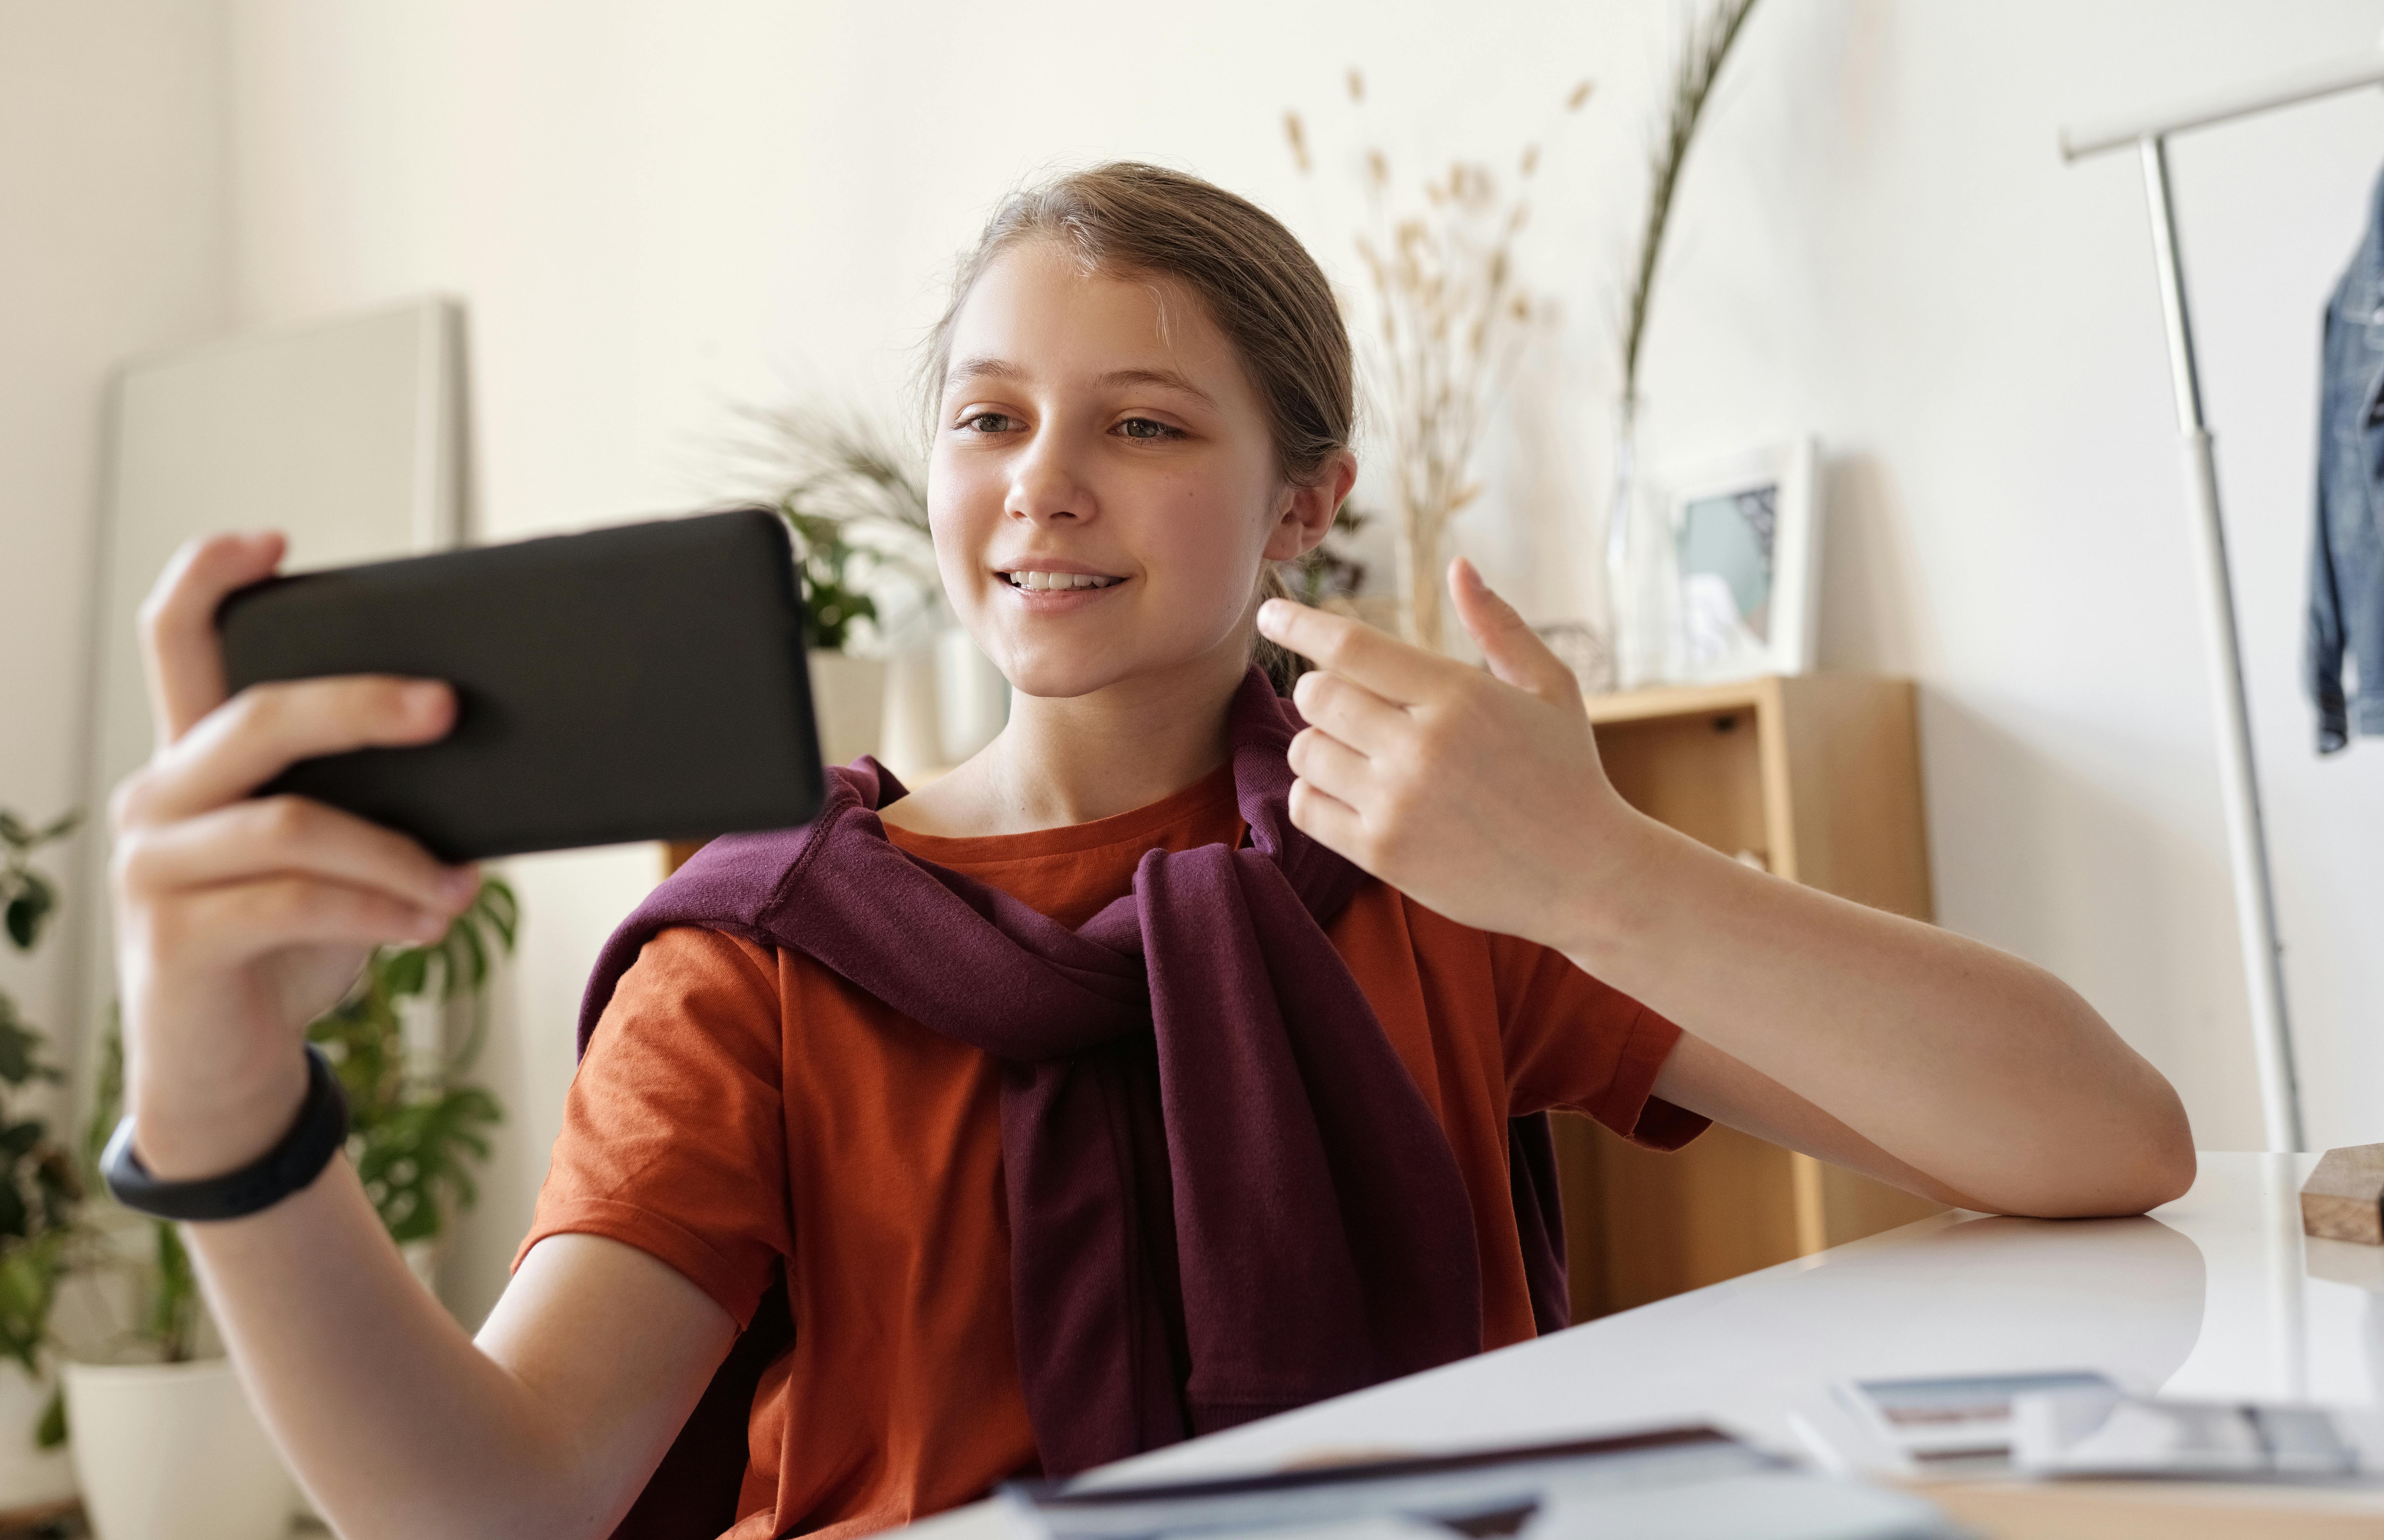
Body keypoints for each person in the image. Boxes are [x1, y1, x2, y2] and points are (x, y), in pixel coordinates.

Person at [107, 163, 2194, 1540]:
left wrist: (1604, 874)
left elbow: (2103, 1140)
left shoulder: (1443, 869)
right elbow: (498, 1502)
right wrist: (221, 1101)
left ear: (1307, 504)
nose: (1045, 489)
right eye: (990, 418)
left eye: (1147, 424)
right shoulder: (757, 955)